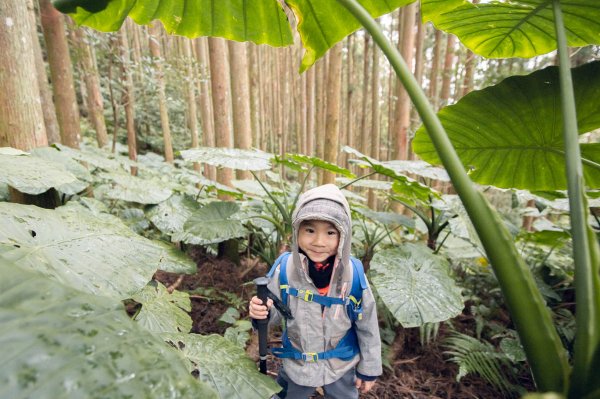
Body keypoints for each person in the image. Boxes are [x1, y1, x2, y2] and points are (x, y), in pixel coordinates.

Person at [249, 184, 382, 399]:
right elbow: (271, 313)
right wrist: (261, 312)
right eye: (309, 230)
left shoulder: (353, 273)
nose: (319, 242)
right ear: (297, 231)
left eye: (330, 232)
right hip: (298, 364)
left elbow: (366, 322)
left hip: (341, 364)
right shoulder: (286, 269)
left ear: (343, 235)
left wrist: (369, 369)